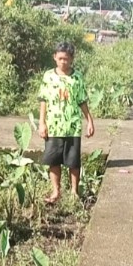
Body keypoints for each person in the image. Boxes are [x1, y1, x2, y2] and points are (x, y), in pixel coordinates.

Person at [37, 42, 95, 203]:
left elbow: (82, 101)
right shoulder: (48, 76)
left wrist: (89, 121)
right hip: (53, 126)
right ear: (55, 57)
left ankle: (74, 193)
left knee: (73, 162)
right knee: (53, 160)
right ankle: (56, 192)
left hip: (72, 126)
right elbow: (43, 100)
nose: (63, 62)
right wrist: (42, 123)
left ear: (72, 59)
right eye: (60, 58)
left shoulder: (77, 77)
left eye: (67, 59)